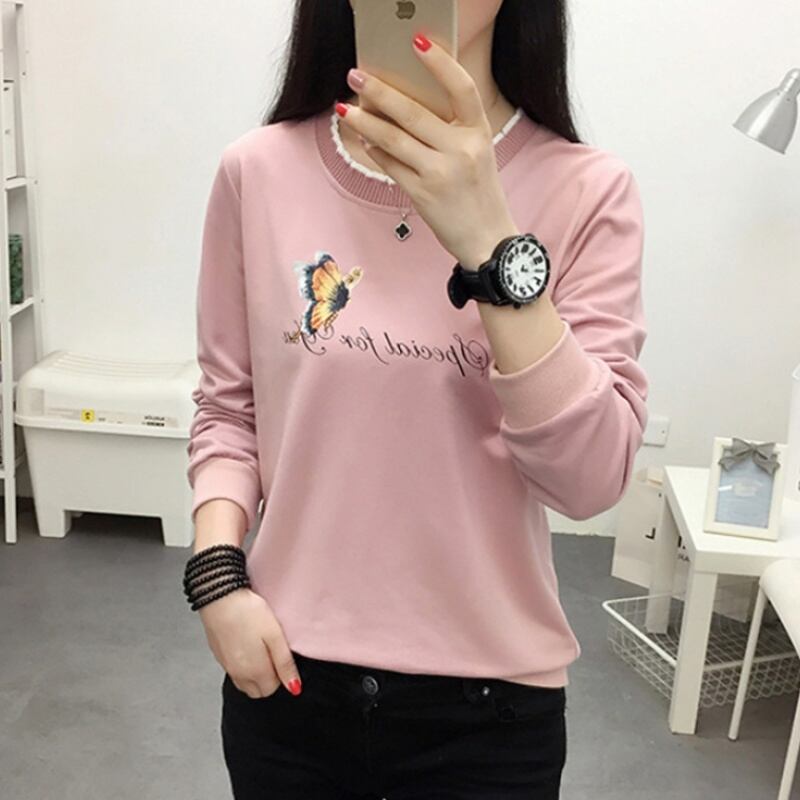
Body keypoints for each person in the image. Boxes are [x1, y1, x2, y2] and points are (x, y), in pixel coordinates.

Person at [184, 1, 649, 797]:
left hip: (490, 716)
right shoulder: (256, 172)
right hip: (288, 685)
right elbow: (230, 410)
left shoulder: (588, 189)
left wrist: (491, 240)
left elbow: (589, 479)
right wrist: (217, 580)